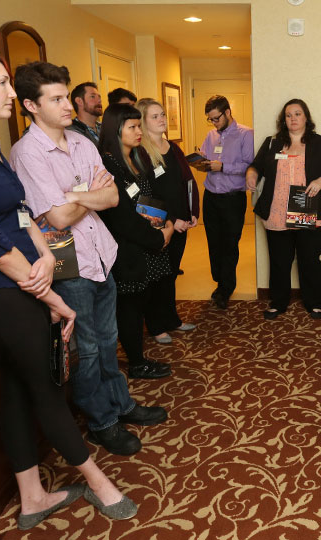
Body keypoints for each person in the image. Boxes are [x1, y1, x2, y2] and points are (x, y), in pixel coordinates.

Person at [0, 43, 136, 531]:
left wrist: (43, 264)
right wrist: (42, 283)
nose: (12, 93)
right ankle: (98, 481)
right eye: (1, 83)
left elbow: (19, 217)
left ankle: (32, 495)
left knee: (17, 387)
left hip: (20, 279)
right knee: (43, 384)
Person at [10, 61, 168, 456]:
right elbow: (57, 218)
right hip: (70, 262)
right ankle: (101, 421)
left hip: (101, 254)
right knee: (89, 348)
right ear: (31, 105)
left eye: (67, 96)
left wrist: (72, 195)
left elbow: (111, 197)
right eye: (58, 98)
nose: (68, 105)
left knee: (109, 339)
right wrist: (84, 196)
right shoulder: (27, 153)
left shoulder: (82, 143)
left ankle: (122, 403)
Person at [246, 98, 321, 320]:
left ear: (306, 117)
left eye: (297, 114)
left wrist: (320, 182)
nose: (293, 118)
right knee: (279, 260)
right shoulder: (271, 143)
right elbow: (256, 166)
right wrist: (251, 176)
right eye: (289, 115)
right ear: (283, 119)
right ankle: (278, 303)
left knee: (309, 258)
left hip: (306, 207)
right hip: (277, 210)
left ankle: (314, 303)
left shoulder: (320, 143)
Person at [98, 103, 174, 378]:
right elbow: (122, 218)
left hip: (147, 242)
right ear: (116, 131)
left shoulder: (136, 156)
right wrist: (157, 237)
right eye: (132, 127)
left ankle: (138, 355)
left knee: (142, 301)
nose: (138, 131)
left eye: (138, 125)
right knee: (129, 307)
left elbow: (148, 197)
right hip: (128, 248)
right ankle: (136, 362)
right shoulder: (109, 164)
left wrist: (163, 224)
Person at [137, 98, 199, 344]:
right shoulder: (141, 152)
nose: (162, 119)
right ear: (143, 121)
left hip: (182, 222)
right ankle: (155, 325)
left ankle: (172, 319)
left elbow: (187, 181)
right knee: (157, 276)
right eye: (155, 116)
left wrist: (192, 211)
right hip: (159, 225)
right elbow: (146, 195)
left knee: (171, 273)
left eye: (162, 114)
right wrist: (172, 221)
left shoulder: (173, 148)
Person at [200, 95, 254, 310]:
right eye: (210, 119)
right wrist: (200, 161)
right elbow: (205, 156)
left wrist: (222, 166)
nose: (214, 123)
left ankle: (226, 287)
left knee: (230, 244)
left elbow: (249, 165)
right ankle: (220, 282)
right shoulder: (210, 135)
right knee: (214, 243)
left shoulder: (246, 134)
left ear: (228, 112)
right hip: (211, 196)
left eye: (216, 118)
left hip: (233, 199)